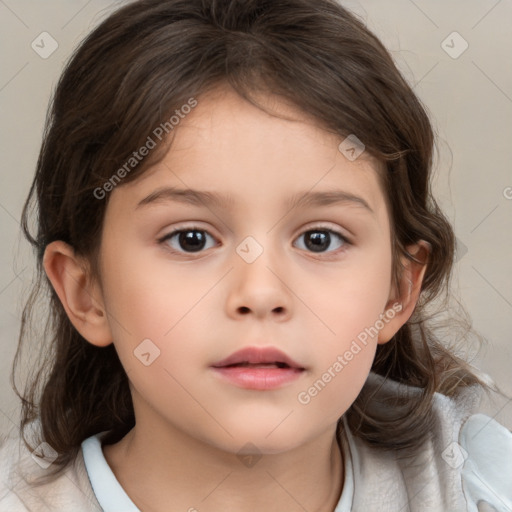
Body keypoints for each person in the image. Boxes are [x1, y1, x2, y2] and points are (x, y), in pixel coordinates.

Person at [1, 0, 511, 510]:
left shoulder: (477, 482)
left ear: (398, 292)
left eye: (320, 239)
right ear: (85, 293)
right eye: (191, 239)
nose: (261, 293)